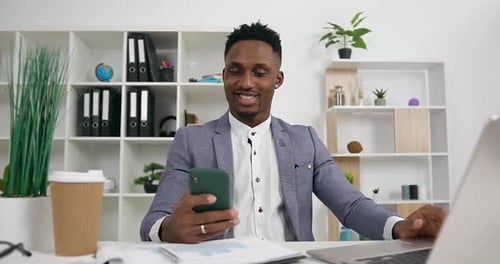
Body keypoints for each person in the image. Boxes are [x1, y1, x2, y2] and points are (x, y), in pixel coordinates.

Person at [140, 21, 447, 244]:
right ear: (224, 75)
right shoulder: (191, 140)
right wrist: (168, 229)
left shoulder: (305, 141)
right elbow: (154, 221)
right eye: (235, 70)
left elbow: (350, 205)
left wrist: (399, 227)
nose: (246, 82)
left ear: (278, 79)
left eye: (260, 72)